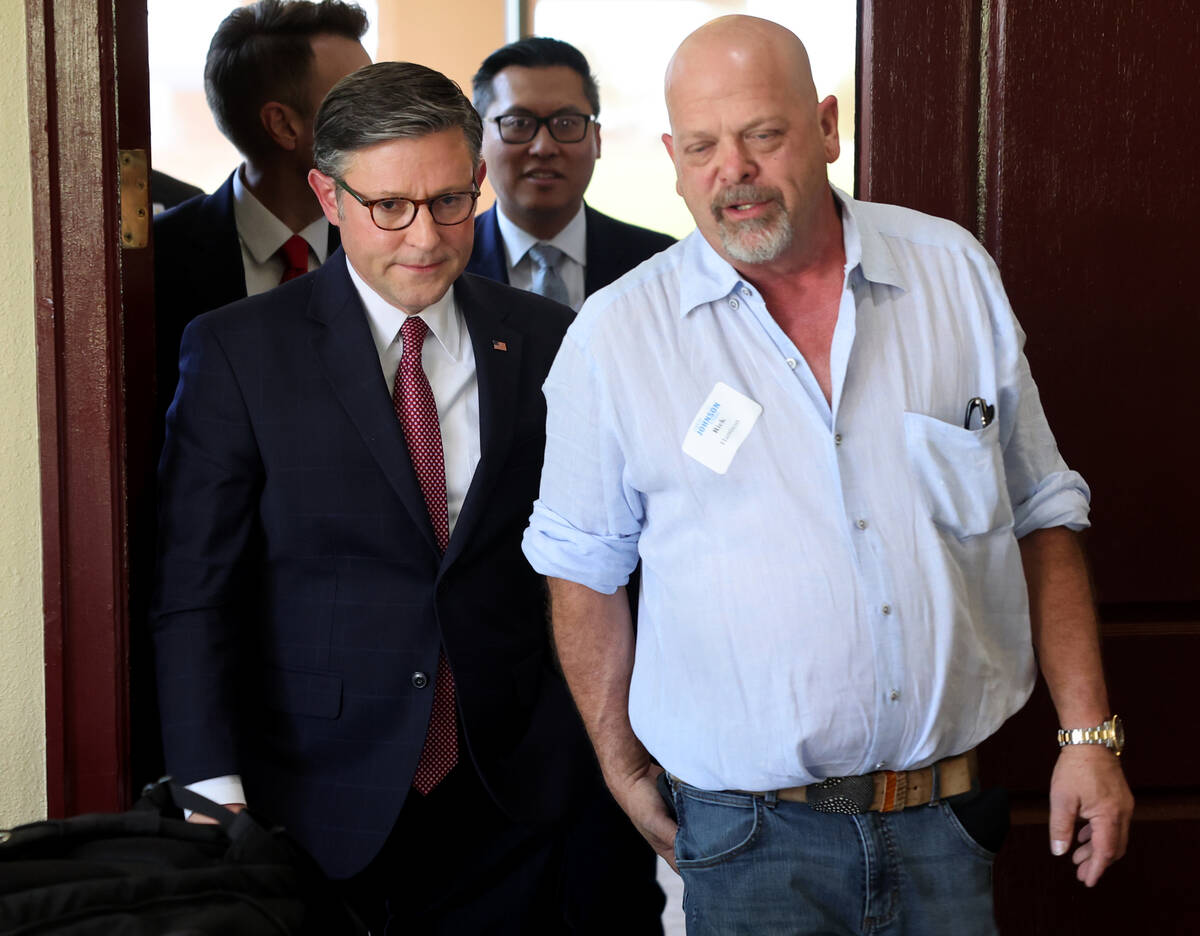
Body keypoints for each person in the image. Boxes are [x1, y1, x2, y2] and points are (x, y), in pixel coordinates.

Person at [522, 15, 1133, 936]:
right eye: (703, 147)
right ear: (673, 158)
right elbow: (582, 569)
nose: (734, 171)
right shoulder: (615, 339)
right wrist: (617, 759)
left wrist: (1088, 736)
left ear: (827, 127)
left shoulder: (952, 274)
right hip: (744, 839)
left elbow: (1041, 511)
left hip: (946, 825)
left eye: (763, 135)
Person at [152, 61, 592, 933]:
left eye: (449, 202)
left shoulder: (545, 338)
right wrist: (211, 788)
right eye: (390, 206)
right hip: (310, 799)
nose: (424, 236)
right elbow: (193, 591)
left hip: (512, 795)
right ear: (330, 194)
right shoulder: (240, 351)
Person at [153, 0, 371, 408]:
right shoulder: (156, 262)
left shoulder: (386, 241)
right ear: (284, 125)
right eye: (357, 101)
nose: (382, 119)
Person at [466, 37, 674, 309]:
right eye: (518, 123)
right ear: (479, 139)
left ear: (597, 139)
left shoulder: (659, 264)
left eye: (566, 123)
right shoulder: (448, 265)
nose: (543, 147)